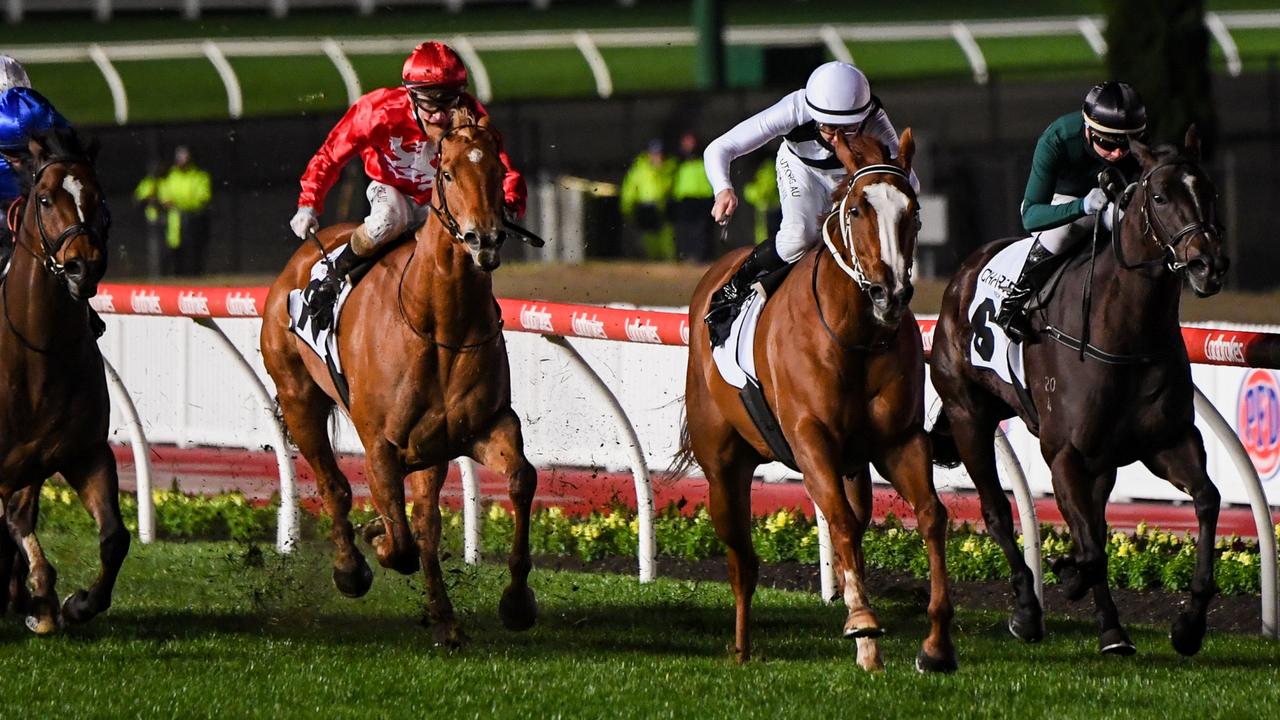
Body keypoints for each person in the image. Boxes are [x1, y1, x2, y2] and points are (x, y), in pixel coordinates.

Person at [289, 41, 527, 309]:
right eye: (429, 105)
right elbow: (331, 154)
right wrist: (308, 203)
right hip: (391, 190)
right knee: (388, 220)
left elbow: (500, 166)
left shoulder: (471, 116)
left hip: (438, 201)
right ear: (411, 95)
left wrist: (510, 202)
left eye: (447, 104)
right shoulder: (378, 111)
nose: (439, 117)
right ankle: (331, 276)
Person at [702, 61, 919, 339]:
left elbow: (910, 184)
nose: (837, 137)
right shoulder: (794, 109)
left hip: (850, 179)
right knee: (800, 238)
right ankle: (736, 287)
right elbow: (721, 147)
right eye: (829, 127)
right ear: (815, 115)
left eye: (848, 128)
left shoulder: (874, 119)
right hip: (801, 170)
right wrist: (723, 188)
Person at [993, 81, 1146, 341]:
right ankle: (1013, 303)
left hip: (1113, 199)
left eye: (1127, 144)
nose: (1119, 153)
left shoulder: (1131, 145)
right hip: (1061, 203)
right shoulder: (1058, 138)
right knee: (1068, 230)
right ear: (1088, 130)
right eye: (1108, 144)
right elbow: (1030, 215)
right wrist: (1082, 207)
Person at [156, 146, 212, 276]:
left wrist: (180, 204)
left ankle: (195, 277)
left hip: (194, 219)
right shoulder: (170, 176)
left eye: (185, 157)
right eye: (179, 158)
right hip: (173, 221)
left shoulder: (199, 176)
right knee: (174, 251)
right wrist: (173, 204)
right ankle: (177, 278)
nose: (182, 161)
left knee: (194, 251)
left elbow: (202, 197)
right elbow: (165, 196)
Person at [618, 138, 675, 260]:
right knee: (648, 236)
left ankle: (667, 260)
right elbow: (630, 188)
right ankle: (652, 259)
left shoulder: (669, 167)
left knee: (666, 235)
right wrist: (627, 207)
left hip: (664, 205)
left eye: (659, 153)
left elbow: (671, 186)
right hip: (645, 206)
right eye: (654, 153)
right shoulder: (639, 168)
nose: (657, 157)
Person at [669, 131, 716, 262]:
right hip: (684, 200)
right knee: (684, 230)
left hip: (702, 200)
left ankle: (699, 257)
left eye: (690, 142)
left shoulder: (704, 160)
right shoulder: (677, 162)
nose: (688, 145)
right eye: (685, 142)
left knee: (700, 230)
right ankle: (684, 255)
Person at [133, 160, 168, 277]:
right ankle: (155, 273)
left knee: (166, 247)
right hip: (152, 219)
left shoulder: (165, 182)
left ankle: (165, 272)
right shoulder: (147, 183)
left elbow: (170, 199)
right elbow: (137, 199)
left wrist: (162, 203)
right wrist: (149, 199)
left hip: (167, 219)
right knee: (154, 248)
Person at [741, 152, 781, 245]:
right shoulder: (756, 168)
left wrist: (753, 193)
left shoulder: (768, 166)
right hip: (762, 209)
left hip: (771, 208)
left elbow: (767, 188)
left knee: (770, 238)